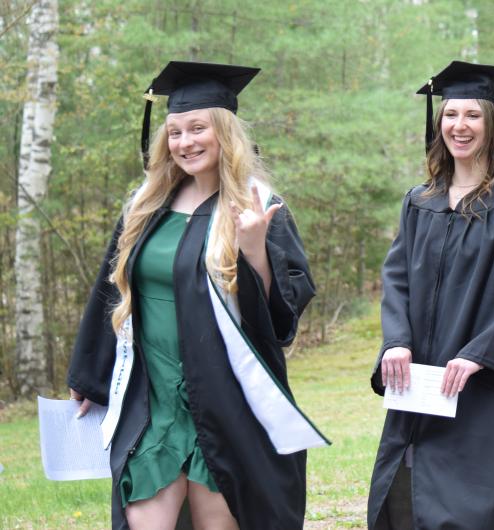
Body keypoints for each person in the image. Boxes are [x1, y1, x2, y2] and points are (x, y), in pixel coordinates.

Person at [67, 61, 328, 530]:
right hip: (154, 399)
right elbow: (113, 292)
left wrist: (254, 252)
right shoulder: (145, 206)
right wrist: (90, 376)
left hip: (224, 404)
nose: (185, 142)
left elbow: (279, 323)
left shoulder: (259, 207)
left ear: (224, 132)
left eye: (197, 128)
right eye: (175, 132)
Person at [367, 60, 494, 529]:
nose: (460, 126)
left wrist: (478, 354)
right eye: (451, 115)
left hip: (486, 393)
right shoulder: (419, 201)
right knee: (405, 508)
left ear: (491, 124)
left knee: (469, 515)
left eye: (472, 115)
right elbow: (397, 280)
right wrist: (396, 341)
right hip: (423, 390)